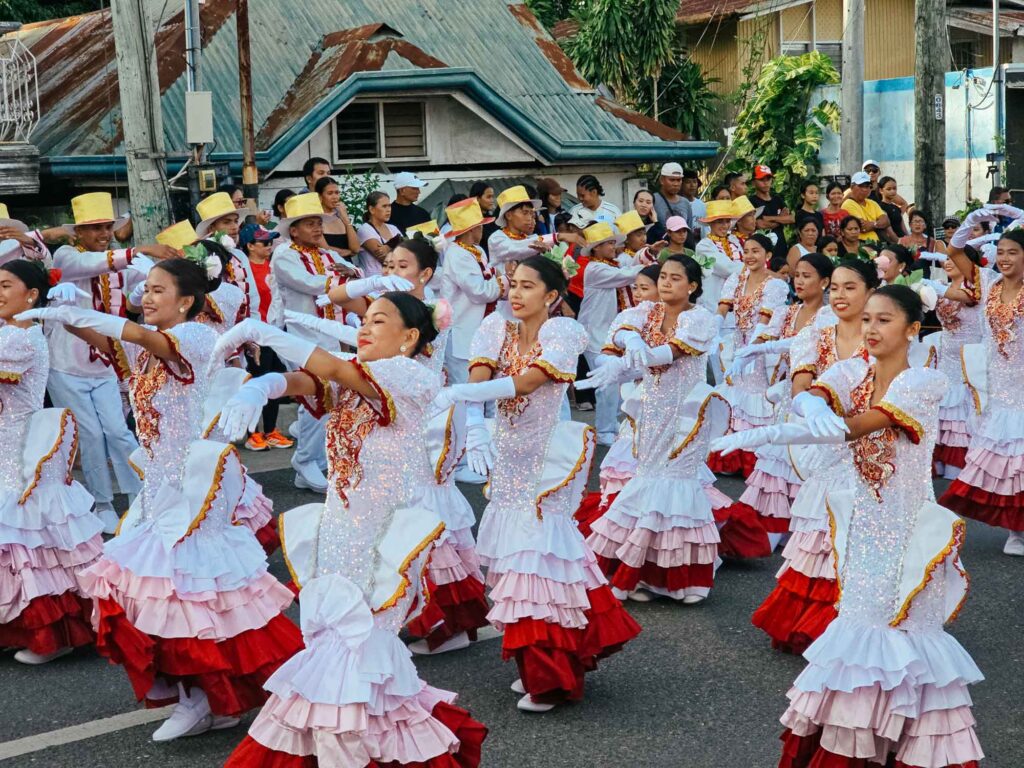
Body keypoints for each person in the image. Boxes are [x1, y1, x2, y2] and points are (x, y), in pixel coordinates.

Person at [22, 250, 304, 742]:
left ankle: (204, 698)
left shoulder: (195, 336)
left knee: (186, 594)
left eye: (157, 290)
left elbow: (137, 335)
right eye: (145, 288)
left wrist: (87, 314)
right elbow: (118, 346)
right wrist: (71, 323)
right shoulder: (155, 344)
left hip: (194, 488)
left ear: (188, 300)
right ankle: (206, 698)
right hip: (161, 483)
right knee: (150, 591)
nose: (146, 297)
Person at [214, 293, 487, 766]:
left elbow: (337, 371)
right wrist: (261, 387)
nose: (363, 326)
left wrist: (267, 333)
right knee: (336, 649)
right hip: (341, 533)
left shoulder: (408, 376)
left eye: (378, 320)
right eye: (362, 318)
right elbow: (311, 378)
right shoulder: (359, 376)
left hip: (382, 540)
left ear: (410, 337)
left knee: (356, 655)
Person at [453, 254, 640, 712]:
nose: (516, 293)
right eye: (513, 284)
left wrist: (466, 396)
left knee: (536, 562)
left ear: (552, 295)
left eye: (528, 286)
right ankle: (552, 656)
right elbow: (479, 372)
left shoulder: (564, 331)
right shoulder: (494, 328)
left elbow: (530, 381)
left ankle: (549, 672)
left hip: (546, 462)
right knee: (518, 567)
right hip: (506, 459)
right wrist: (474, 422)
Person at [581, 254, 728, 607]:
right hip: (649, 410)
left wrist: (631, 354)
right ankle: (641, 574)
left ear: (692, 286)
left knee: (678, 482)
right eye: (663, 276)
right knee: (648, 479)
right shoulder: (645, 312)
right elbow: (615, 337)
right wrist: (626, 346)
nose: (666, 283)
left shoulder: (701, 319)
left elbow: (668, 354)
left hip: (686, 414)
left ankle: (679, 580)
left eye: (676, 278)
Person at [749, 258, 875, 654]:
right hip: (824, 444)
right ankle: (817, 620)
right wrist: (812, 407)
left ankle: (863, 622)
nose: (839, 295)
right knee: (823, 528)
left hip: (873, 442)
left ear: (871, 290)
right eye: (835, 287)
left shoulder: (883, 334)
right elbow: (802, 384)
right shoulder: (814, 337)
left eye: (849, 287)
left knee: (868, 529)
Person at [0, 260, 105, 665]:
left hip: (19, 447)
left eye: (6, 285)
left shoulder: (21, 339)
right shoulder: (11, 332)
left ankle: (54, 633)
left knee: (27, 540)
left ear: (31, 295)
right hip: (11, 443)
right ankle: (20, 626)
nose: (0, 292)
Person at [48, 192, 169, 533]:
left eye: (107, 227)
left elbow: (133, 300)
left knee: (117, 431)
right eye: (95, 228)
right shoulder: (67, 254)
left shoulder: (120, 261)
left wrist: (147, 283)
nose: (103, 233)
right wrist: (136, 252)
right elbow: (83, 267)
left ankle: (138, 496)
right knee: (90, 434)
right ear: (78, 233)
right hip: (66, 362)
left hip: (108, 363)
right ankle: (101, 503)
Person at [716, 253, 835, 559]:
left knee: (801, 460)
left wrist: (764, 347)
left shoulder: (828, 317)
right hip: (787, 393)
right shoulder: (786, 312)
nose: (800, 280)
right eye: (798, 274)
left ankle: (799, 530)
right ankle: (765, 533)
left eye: (807, 276)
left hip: (814, 396)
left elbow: (799, 344)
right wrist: (748, 351)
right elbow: (765, 332)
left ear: (824, 282)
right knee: (776, 461)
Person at [939, 212, 1024, 555]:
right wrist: (974, 220)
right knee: (1006, 460)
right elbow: (956, 249)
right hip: (997, 383)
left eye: (1012, 252)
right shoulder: (987, 283)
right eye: (1000, 251)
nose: (1003, 258)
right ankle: (1016, 530)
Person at [271, 192, 361, 493]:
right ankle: (306, 459)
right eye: (310, 223)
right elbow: (309, 284)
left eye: (318, 222)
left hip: (331, 334)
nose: (317, 228)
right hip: (300, 335)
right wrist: (345, 280)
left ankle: (315, 460)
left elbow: (354, 273)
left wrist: (352, 274)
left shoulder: (326, 255)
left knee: (328, 395)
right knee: (317, 391)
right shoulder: (285, 255)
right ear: (293, 230)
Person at [707, 234, 789, 478]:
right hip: (738, 340)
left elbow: (765, 320)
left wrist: (751, 350)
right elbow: (722, 308)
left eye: (756, 251)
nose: (750, 256)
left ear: (768, 256)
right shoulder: (736, 278)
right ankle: (733, 455)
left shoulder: (775, 285)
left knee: (755, 393)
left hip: (760, 346)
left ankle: (755, 456)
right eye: (746, 250)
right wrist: (712, 332)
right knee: (736, 391)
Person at [577, 221, 645, 446]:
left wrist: (649, 253)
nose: (612, 247)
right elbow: (626, 275)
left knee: (613, 379)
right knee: (606, 383)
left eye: (612, 243)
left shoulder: (610, 264)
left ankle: (610, 424)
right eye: (607, 243)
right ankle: (605, 429)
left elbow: (627, 266)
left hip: (607, 332)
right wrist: (651, 264)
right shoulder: (595, 269)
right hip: (595, 333)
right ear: (595, 248)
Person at [921, 247, 983, 480]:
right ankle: (942, 464)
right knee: (946, 410)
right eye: (947, 258)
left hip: (971, 357)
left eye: (955, 259)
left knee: (965, 409)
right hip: (946, 354)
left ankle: (965, 469)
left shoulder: (978, 289)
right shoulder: (937, 287)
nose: (948, 262)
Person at [237, 223, 293, 452]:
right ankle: (253, 433)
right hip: (254, 335)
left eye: (271, 241)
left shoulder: (274, 267)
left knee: (274, 382)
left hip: (275, 332)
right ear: (249, 246)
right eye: (263, 242)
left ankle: (270, 430)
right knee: (255, 383)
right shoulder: (243, 270)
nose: (269, 246)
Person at [439, 197, 505, 390]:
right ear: (473, 228)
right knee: (465, 390)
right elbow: (479, 291)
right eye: (480, 225)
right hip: (462, 331)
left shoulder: (476, 250)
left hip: (478, 330)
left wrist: (499, 278)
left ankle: (489, 421)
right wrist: (505, 280)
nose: (482, 229)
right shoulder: (457, 254)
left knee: (488, 390)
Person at [194, 191, 260, 320]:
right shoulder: (199, 256)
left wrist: (254, 325)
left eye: (236, 221)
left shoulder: (239, 255)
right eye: (227, 222)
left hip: (244, 325)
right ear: (211, 229)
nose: (235, 227)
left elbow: (252, 296)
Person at [694, 200, 743, 312]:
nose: (725, 226)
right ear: (711, 223)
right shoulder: (703, 246)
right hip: (713, 303)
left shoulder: (734, 240)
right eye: (720, 222)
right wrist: (754, 270)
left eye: (727, 221)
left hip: (736, 302)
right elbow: (726, 268)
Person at [747, 165, 793, 259]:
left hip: (781, 248)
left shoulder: (777, 199)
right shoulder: (751, 201)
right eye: (761, 179)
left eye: (768, 179)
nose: (766, 183)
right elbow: (760, 224)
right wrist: (780, 219)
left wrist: (770, 218)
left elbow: (791, 219)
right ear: (753, 182)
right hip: (763, 251)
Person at [355, 191, 403, 276]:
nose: (388, 210)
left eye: (389, 206)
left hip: (394, 278)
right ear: (372, 209)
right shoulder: (365, 229)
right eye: (384, 206)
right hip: (373, 281)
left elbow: (408, 252)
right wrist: (395, 244)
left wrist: (388, 247)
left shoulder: (393, 228)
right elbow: (384, 258)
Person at [314, 176, 360, 259]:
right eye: (330, 193)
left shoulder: (341, 217)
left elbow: (356, 249)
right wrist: (348, 252)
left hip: (348, 267)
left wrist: (346, 220)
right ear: (320, 196)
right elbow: (325, 249)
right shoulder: (316, 219)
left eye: (337, 193)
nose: (335, 197)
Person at [841, 171, 889, 242]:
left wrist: (873, 224)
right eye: (861, 186)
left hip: (877, 243)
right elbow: (863, 227)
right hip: (861, 243)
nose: (865, 189)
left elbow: (886, 221)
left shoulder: (872, 203)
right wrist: (878, 223)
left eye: (867, 186)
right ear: (852, 187)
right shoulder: (848, 204)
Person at [652, 163, 692, 236]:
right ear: (662, 180)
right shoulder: (652, 200)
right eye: (672, 180)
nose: (676, 184)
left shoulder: (685, 203)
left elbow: (689, 230)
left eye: (679, 180)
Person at [683, 168, 707, 237]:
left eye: (694, 182)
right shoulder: (678, 204)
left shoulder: (702, 205)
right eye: (688, 182)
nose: (692, 185)